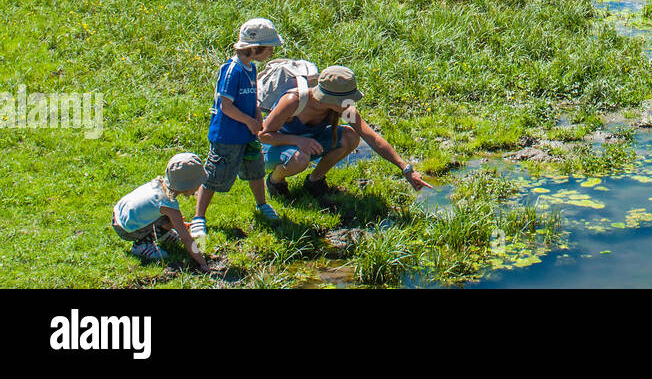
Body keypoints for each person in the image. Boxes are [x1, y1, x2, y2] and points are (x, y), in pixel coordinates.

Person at [259, 65, 433, 199]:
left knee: (350, 136)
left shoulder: (343, 108)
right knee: (299, 158)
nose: (349, 103)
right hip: (274, 150)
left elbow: (371, 137)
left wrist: (406, 168)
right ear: (329, 99)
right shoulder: (293, 101)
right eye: (345, 100)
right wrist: (298, 141)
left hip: (309, 145)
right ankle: (275, 181)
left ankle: (315, 181)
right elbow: (263, 135)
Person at [191, 18, 281, 241]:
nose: (271, 52)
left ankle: (262, 204)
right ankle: (198, 217)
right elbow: (226, 106)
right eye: (269, 48)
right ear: (254, 48)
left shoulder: (250, 68)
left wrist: (257, 114)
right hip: (228, 135)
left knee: (256, 169)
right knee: (214, 173)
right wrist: (249, 122)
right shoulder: (233, 71)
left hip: (247, 134)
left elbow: (251, 98)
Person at [111, 152, 209, 271]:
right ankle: (141, 245)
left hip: (118, 214)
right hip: (126, 229)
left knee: (171, 218)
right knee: (172, 218)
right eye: (197, 184)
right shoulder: (168, 205)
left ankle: (164, 235)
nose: (199, 187)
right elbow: (186, 239)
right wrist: (202, 262)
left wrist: (178, 224)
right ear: (187, 186)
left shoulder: (157, 184)